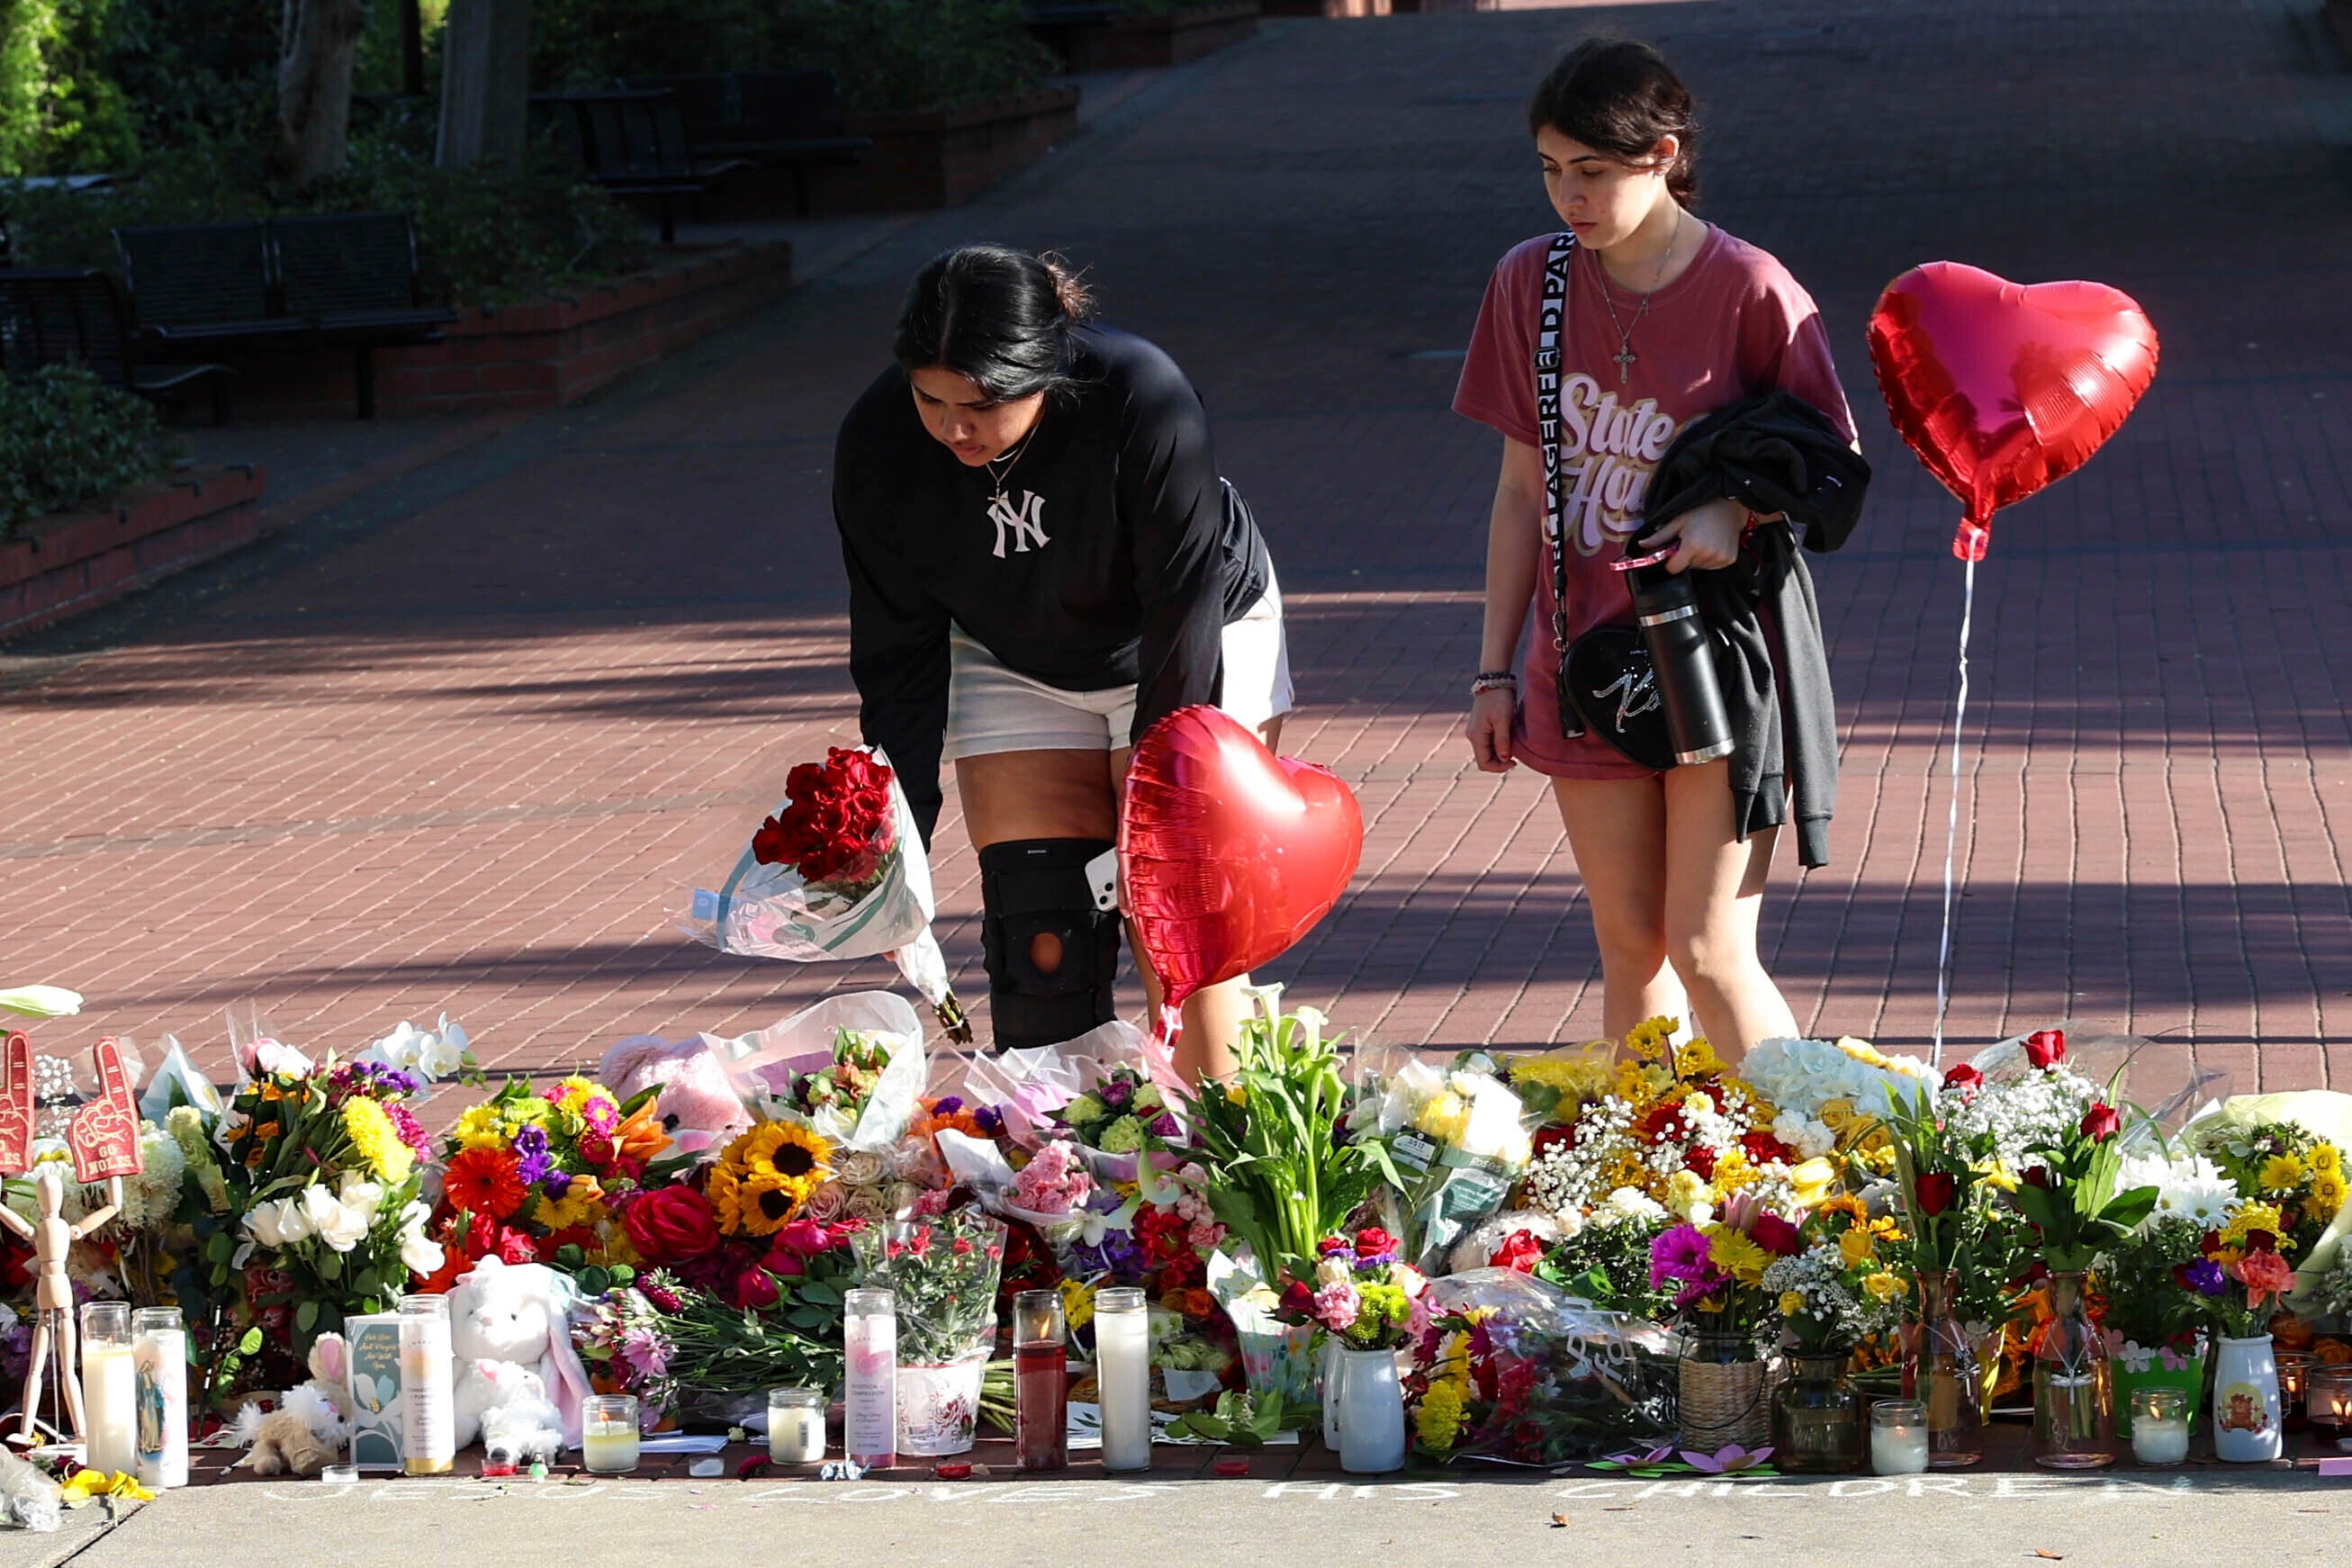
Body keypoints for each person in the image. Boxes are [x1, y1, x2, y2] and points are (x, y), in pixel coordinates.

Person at [1455, 39, 1860, 1060]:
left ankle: (1812, 1165)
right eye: (1551, 169)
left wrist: (1740, 513)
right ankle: (1661, 1192)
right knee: (1631, 946)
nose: (1568, 198)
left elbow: (1832, 465)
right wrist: (1493, 670)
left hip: (1715, 654)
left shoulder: (1752, 289)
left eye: (1590, 171)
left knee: (1708, 943)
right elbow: (1517, 493)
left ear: (1661, 155)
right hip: (1581, 658)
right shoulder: (1528, 285)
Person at [834, 243, 1291, 1084]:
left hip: (1188, 637)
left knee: (1175, 926)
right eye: (930, 399)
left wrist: (1157, 801)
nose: (952, 428)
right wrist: (897, 848)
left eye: (978, 404)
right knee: (1038, 939)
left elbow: (1179, 608)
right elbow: (896, 651)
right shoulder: (878, 443)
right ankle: (1067, 1196)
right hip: (1013, 655)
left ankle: (1222, 1176)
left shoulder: (1140, 396)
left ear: (1043, 372)